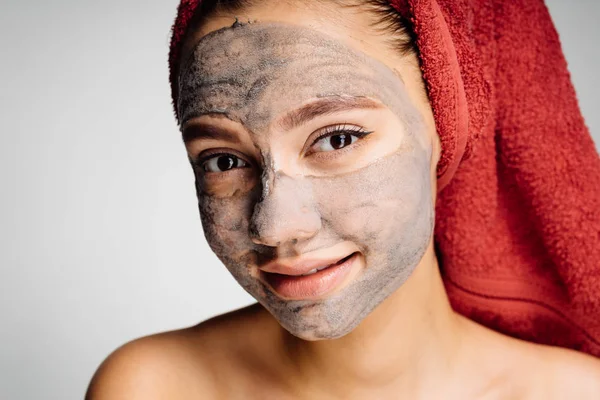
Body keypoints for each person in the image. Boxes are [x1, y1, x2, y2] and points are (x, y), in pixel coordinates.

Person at [86, 0, 600, 398]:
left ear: (448, 123)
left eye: (337, 138)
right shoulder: (151, 389)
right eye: (224, 160)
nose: (275, 226)